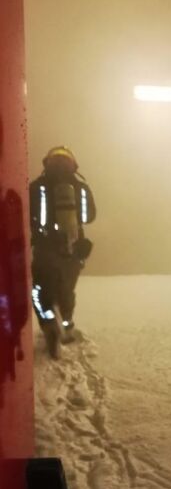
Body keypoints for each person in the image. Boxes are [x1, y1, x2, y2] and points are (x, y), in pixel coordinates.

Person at [29, 146, 96, 357]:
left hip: (45, 247)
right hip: (74, 248)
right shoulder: (80, 187)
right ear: (73, 165)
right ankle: (66, 324)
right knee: (67, 289)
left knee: (39, 290)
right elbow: (90, 216)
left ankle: (49, 323)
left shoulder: (37, 186)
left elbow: (26, 214)